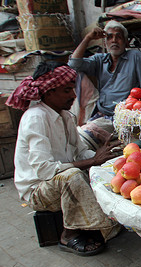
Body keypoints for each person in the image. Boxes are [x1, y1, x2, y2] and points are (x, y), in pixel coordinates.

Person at [7, 61, 122, 256]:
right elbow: (44, 170)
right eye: (67, 90)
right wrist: (92, 161)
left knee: (107, 165)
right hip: (38, 190)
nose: (73, 95)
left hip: (58, 179)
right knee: (72, 175)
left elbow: (79, 153)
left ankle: (99, 222)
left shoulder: (66, 116)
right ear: (49, 92)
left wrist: (103, 157)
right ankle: (68, 234)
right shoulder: (36, 118)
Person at [68, 20, 141, 149]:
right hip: (101, 114)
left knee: (81, 140)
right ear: (104, 42)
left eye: (118, 37)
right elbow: (74, 65)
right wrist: (88, 38)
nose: (114, 40)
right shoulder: (100, 59)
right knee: (74, 139)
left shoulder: (135, 56)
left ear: (126, 42)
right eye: (110, 37)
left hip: (121, 116)